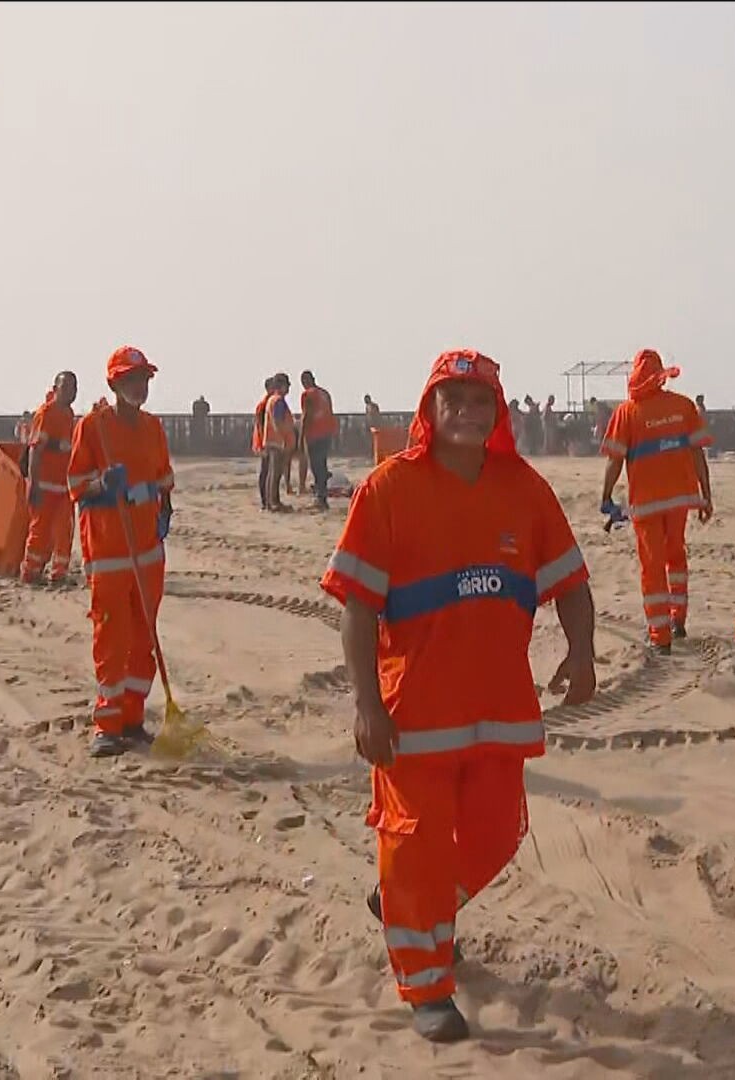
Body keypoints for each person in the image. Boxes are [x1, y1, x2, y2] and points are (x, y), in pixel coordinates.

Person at [321, 348, 596, 1043]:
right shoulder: (388, 490)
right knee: (415, 844)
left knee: (498, 834)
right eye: (456, 399)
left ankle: (409, 907)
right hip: (412, 717)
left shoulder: (524, 489)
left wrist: (582, 651)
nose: (470, 412)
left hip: (499, 708)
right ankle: (427, 985)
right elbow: (356, 605)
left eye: (483, 401)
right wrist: (366, 705)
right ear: (429, 410)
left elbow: (570, 580)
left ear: (498, 412)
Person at [68, 347, 176, 758]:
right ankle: (107, 724)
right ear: (114, 384)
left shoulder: (153, 428)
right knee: (111, 636)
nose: (140, 386)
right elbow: (76, 482)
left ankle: (132, 718)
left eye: (145, 379)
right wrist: (100, 484)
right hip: (110, 550)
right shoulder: (93, 428)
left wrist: (164, 513)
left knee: (143, 638)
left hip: (148, 551)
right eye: (132, 379)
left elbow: (164, 480)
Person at [599, 349, 715, 651]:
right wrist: (706, 496)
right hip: (681, 499)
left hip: (646, 503)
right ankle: (679, 620)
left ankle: (659, 636)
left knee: (652, 567)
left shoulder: (626, 413)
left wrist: (606, 496)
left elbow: (614, 461)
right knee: (676, 557)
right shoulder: (684, 407)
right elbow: (698, 454)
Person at [21, 371, 80, 586]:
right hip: (45, 486)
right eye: (66, 388)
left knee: (65, 531)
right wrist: (33, 485)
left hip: (63, 487)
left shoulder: (68, 414)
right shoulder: (45, 413)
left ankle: (59, 573)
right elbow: (35, 450)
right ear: (56, 389)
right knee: (40, 532)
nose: (70, 392)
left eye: (74, 388)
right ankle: (30, 572)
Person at [299, 370, 337, 510]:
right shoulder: (325, 393)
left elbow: (306, 416)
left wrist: (301, 437)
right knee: (322, 464)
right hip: (327, 433)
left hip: (314, 434)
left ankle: (320, 497)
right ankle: (322, 496)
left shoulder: (307, 394)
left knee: (316, 466)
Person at [261, 374, 297, 511]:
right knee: (275, 474)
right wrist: (283, 438)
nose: (288, 388)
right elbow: (277, 421)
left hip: (272, 441)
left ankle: (272, 502)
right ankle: (274, 502)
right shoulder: (278, 401)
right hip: (277, 442)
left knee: (272, 473)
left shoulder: (272, 400)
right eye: (287, 385)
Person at [253, 377, 275, 509]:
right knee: (265, 472)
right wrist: (263, 444)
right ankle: (264, 501)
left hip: (266, 441)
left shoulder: (269, 402)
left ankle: (267, 500)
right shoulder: (264, 404)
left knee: (267, 471)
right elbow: (261, 425)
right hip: (264, 442)